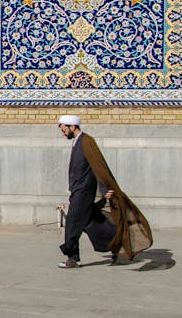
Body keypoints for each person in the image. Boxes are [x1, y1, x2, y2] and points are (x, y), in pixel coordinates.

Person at [57, 114, 153, 268]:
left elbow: (98, 166)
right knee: (91, 223)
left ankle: (73, 258)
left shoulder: (87, 142)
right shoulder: (78, 141)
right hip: (78, 190)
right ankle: (117, 244)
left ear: (72, 127)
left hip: (84, 192)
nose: (63, 133)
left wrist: (104, 189)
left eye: (64, 130)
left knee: (72, 224)